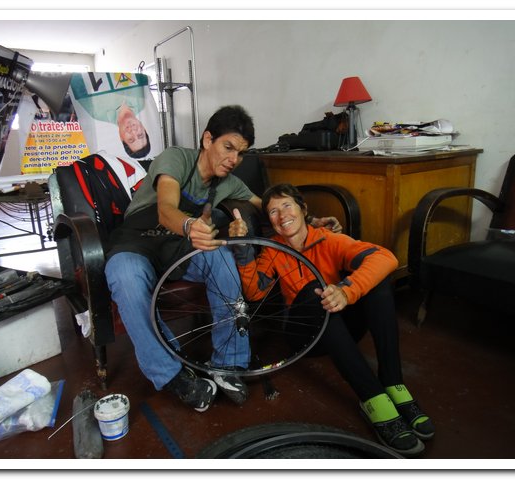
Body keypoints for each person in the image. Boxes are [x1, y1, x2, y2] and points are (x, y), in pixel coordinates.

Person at [104, 106, 341, 412]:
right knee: (124, 278)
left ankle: (229, 363)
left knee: (221, 255)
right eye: (228, 147)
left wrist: (310, 222)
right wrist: (190, 225)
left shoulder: (228, 183)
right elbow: (165, 209)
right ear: (207, 140)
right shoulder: (176, 158)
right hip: (137, 242)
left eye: (241, 153)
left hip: (179, 246)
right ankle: (172, 375)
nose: (234, 159)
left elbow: (271, 208)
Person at [231, 183, 434, 457]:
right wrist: (243, 248)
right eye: (273, 212)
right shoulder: (273, 250)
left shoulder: (327, 239)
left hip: (342, 329)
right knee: (313, 291)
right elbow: (255, 292)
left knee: (378, 282)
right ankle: (373, 397)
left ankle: (393, 382)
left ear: (303, 209)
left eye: (287, 205)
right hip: (305, 336)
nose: (281, 215)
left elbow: (385, 257)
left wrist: (346, 291)